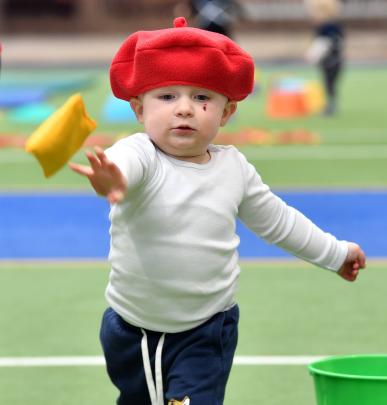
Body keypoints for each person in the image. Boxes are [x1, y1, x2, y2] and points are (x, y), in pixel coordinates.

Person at [69, 17, 366, 405]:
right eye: (168, 97)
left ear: (226, 113)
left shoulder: (234, 168)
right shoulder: (140, 153)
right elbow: (122, 166)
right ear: (139, 109)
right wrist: (111, 180)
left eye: (202, 98)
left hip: (207, 330)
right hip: (131, 330)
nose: (185, 109)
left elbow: (278, 221)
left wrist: (335, 253)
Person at [305, 0, 345, 116]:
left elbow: (323, 43)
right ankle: (330, 104)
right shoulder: (334, 26)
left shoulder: (327, 27)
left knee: (329, 83)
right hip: (333, 59)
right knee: (329, 83)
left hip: (331, 60)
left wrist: (312, 55)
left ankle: (330, 106)